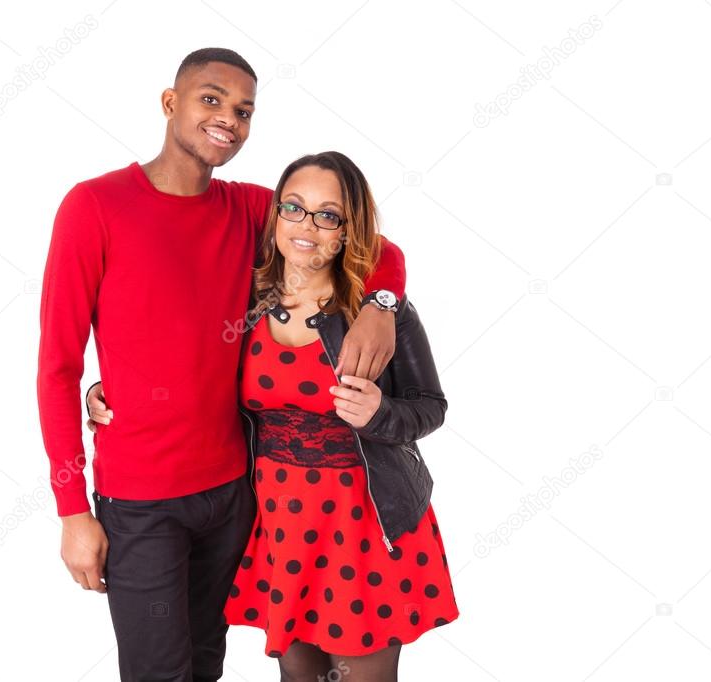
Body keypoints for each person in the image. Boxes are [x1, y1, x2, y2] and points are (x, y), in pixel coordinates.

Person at [37, 48, 407, 681]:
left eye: (244, 110)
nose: (228, 120)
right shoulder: (94, 206)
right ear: (169, 102)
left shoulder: (250, 210)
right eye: (212, 100)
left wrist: (382, 303)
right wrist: (73, 509)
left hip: (236, 494)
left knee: (207, 665)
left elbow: (377, 246)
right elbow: (56, 365)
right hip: (141, 499)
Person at [220, 151, 460, 680]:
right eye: (295, 208)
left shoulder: (378, 309)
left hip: (364, 526)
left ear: (348, 231)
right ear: (276, 214)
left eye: (328, 215)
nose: (307, 226)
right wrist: (104, 390)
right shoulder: (246, 301)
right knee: (298, 676)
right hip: (280, 526)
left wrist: (378, 415)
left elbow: (430, 406)